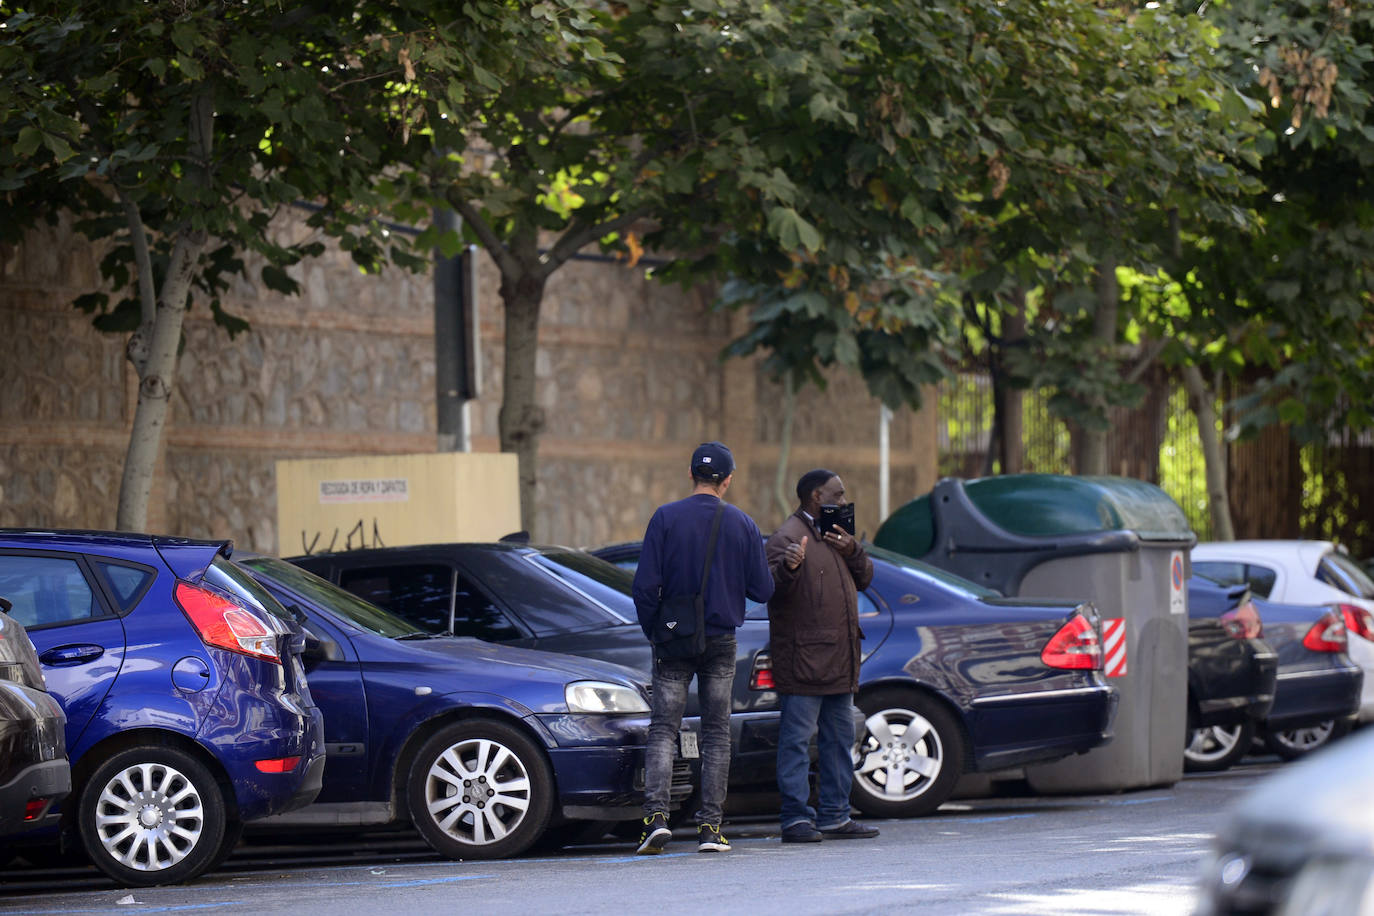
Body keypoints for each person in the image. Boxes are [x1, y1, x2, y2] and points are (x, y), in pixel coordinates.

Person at [632, 441, 774, 855]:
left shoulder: (665, 518)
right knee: (716, 732)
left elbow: (644, 587)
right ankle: (711, 828)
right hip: (721, 639)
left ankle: (655, 819)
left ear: (690, 474)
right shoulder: (743, 524)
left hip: (674, 639)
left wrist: (656, 631)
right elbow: (763, 588)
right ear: (727, 481)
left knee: (663, 728)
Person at [765, 468, 880, 843]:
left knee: (839, 740)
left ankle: (835, 815)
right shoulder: (787, 536)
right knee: (797, 742)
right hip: (803, 662)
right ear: (817, 496)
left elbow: (864, 579)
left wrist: (853, 549)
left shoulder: (836, 536)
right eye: (838, 494)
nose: (844, 501)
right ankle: (796, 819)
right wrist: (789, 567)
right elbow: (769, 589)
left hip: (841, 659)